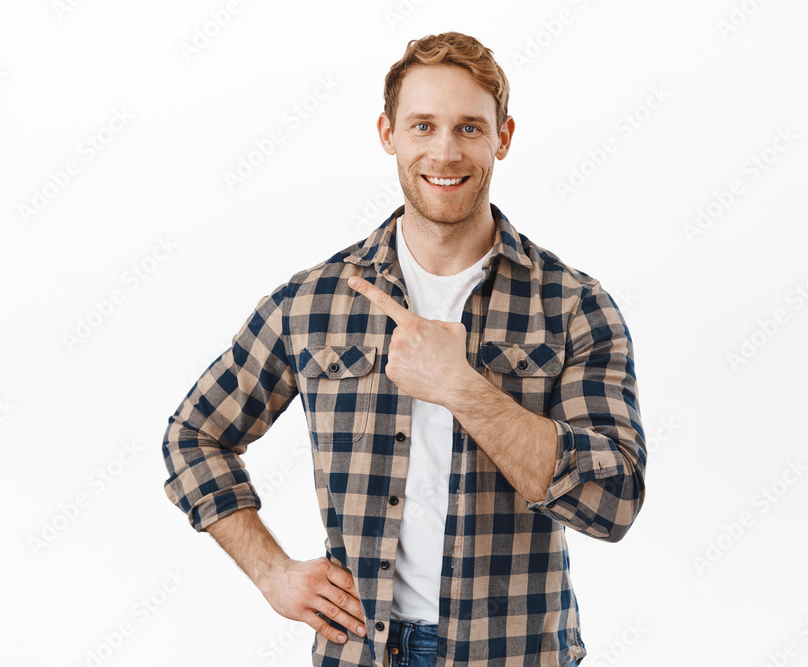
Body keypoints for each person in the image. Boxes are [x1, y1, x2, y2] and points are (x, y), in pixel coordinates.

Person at [162, 31, 647, 667]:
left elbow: (613, 504)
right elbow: (194, 437)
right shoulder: (314, 303)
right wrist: (273, 573)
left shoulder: (573, 306)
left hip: (516, 652)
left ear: (502, 137)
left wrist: (462, 388)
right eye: (424, 125)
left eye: (470, 128)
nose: (445, 152)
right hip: (361, 652)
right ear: (388, 132)